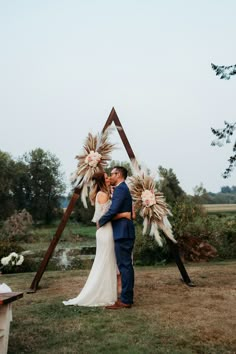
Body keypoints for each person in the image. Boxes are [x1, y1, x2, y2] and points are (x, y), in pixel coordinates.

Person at [62, 171, 130, 307]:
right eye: (106, 177)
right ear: (101, 181)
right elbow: (108, 215)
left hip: (105, 231)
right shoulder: (103, 195)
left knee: (107, 262)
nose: (109, 178)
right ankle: (103, 293)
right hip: (106, 231)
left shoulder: (104, 194)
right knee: (106, 262)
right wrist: (124, 214)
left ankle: (109, 292)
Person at [98, 166, 135, 309]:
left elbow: (113, 210)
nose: (110, 177)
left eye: (112, 174)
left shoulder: (120, 189)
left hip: (123, 233)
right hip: (123, 232)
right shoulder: (122, 188)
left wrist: (101, 222)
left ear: (118, 174)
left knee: (124, 266)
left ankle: (125, 300)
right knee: (125, 265)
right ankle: (126, 297)